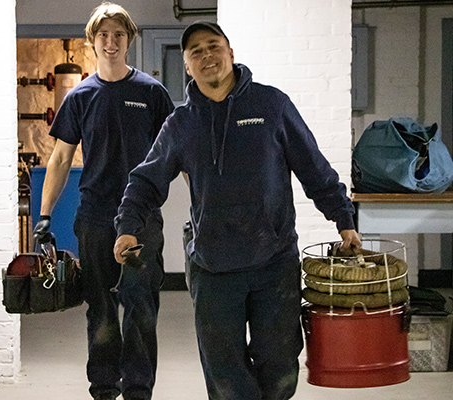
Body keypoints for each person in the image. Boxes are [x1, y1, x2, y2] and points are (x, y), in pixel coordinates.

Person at [113, 21, 362, 400]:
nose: (206, 55)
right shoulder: (181, 124)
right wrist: (127, 227)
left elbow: (314, 168)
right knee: (225, 374)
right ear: (187, 67)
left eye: (213, 46)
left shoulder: (271, 105)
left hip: (273, 260)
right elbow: (146, 181)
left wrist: (344, 219)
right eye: (195, 51)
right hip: (212, 267)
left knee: (279, 368)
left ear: (230, 53)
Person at [32, 3, 174, 400]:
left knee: (142, 309)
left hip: (142, 220)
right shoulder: (80, 97)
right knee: (101, 309)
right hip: (95, 218)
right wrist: (44, 215)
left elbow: (177, 156)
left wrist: (202, 208)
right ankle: (105, 389)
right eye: (103, 36)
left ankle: (139, 391)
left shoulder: (151, 93)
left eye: (119, 35)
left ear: (129, 40)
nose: (111, 43)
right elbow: (60, 158)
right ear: (92, 42)